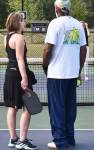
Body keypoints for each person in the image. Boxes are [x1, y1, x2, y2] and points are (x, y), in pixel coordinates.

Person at [43, 0, 87, 150]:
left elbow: (47, 49)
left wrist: (45, 66)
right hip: (72, 75)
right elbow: (83, 50)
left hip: (57, 75)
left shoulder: (55, 24)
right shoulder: (78, 25)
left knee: (57, 109)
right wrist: (78, 70)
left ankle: (59, 141)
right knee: (69, 108)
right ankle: (69, 138)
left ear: (57, 8)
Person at [3, 12, 38, 150]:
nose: (24, 23)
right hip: (18, 75)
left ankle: (13, 139)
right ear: (18, 22)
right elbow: (19, 59)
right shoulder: (19, 38)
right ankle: (22, 140)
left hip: (9, 74)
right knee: (28, 107)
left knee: (12, 108)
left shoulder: (6, 37)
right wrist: (24, 78)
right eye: (23, 20)